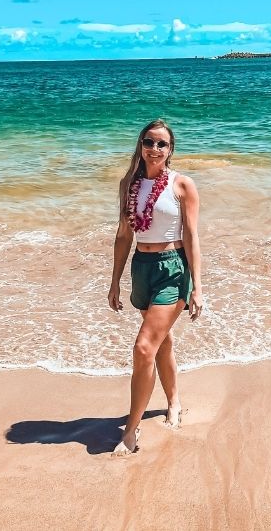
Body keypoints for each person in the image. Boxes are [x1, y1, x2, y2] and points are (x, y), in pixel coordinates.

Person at [107, 119, 203, 456]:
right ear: (141, 145)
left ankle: (130, 432)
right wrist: (115, 280)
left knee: (144, 347)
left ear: (170, 150)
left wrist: (198, 287)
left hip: (173, 268)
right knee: (161, 343)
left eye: (162, 144)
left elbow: (191, 236)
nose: (155, 149)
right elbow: (124, 235)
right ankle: (174, 402)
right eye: (149, 142)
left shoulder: (182, 185)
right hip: (142, 268)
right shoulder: (129, 185)